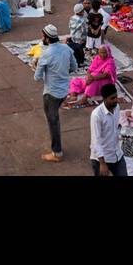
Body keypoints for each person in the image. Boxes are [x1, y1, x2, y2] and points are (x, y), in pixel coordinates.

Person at [34, 23, 77, 162]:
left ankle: (56, 153)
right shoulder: (66, 48)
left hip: (51, 93)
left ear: (46, 38)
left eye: (43, 35)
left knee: (53, 122)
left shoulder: (46, 54)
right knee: (54, 119)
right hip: (64, 90)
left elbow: (37, 77)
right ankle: (56, 150)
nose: (42, 37)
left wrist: (36, 64)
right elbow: (74, 67)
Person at [88, 83, 125, 176]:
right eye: (112, 98)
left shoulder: (117, 108)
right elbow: (96, 140)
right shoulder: (96, 115)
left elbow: (115, 128)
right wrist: (102, 163)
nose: (116, 100)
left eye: (116, 97)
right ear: (104, 99)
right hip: (102, 159)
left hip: (117, 154)